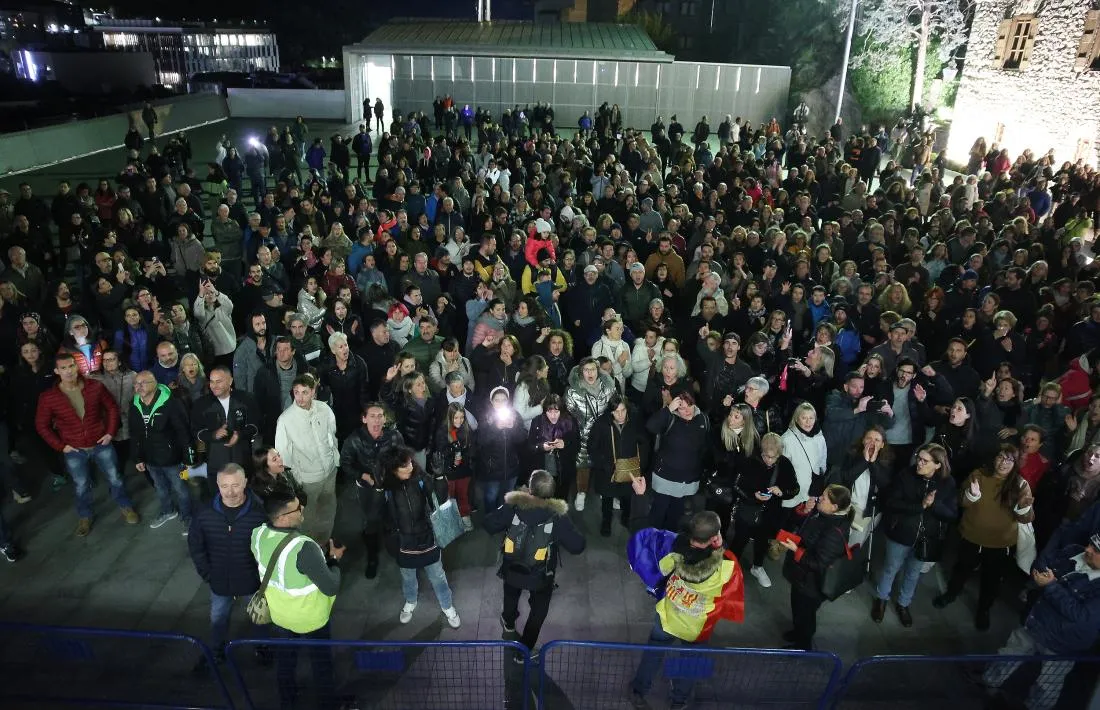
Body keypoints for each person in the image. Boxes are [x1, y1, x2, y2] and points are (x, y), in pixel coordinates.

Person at [627, 511, 744, 709]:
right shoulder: (725, 567)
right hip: (696, 627)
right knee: (691, 661)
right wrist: (720, 548)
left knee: (653, 652)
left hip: (668, 616)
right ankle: (679, 700)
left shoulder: (676, 549)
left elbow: (662, 568)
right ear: (714, 537)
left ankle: (638, 691)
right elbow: (732, 586)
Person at [980, 533, 1100, 710]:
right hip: (1037, 622)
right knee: (1007, 655)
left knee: (1047, 684)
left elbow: (1081, 616)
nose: (1087, 549)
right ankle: (987, 683)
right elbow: (1043, 561)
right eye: (1090, 543)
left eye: (1096, 549)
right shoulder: (1073, 551)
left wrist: (1050, 586)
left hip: (1063, 643)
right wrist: (1042, 573)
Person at [252, 484, 343, 710]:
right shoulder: (304, 547)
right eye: (297, 509)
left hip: (280, 614)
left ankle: (288, 699)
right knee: (321, 663)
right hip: (310, 617)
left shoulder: (258, 534)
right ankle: (328, 703)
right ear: (282, 518)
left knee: (286, 660)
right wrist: (334, 560)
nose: (302, 510)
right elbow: (331, 586)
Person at [484, 469, 586, 656]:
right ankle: (524, 652)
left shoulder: (513, 505)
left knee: (510, 594)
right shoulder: (557, 517)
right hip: (540, 575)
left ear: (529, 489)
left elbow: (489, 524)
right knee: (538, 612)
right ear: (552, 493)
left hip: (512, 568)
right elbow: (578, 546)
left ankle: (508, 622)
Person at [36, 352, 138, 536]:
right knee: (81, 485)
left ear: (77, 367)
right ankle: (85, 516)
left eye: (71, 366)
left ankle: (125, 506)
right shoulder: (49, 397)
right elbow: (41, 426)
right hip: (74, 449)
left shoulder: (94, 386)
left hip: (100, 443)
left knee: (115, 477)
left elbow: (112, 408)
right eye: (63, 368)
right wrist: (61, 446)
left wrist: (109, 432)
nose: (68, 371)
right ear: (56, 371)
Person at [934, 444, 1035, 630]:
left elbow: (1026, 518)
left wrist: (1024, 506)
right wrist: (972, 495)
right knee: (961, 569)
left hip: (1000, 544)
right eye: (1001, 457)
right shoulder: (978, 475)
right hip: (971, 537)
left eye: (1009, 459)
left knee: (991, 580)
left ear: (1015, 463)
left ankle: (984, 610)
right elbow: (961, 501)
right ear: (994, 458)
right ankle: (951, 593)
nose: (1004, 462)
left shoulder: (1020, 484)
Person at [187, 464, 268, 667]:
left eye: (235, 485)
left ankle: (262, 647)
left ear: (245, 483)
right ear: (217, 485)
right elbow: (196, 546)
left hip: (251, 580)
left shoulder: (260, 513)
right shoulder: (204, 513)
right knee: (218, 619)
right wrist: (208, 574)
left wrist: (262, 576)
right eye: (224, 486)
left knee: (259, 618)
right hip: (220, 581)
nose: (230, 492)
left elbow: (269, 547)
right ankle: (216, 650)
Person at [871, 443, 957, 627]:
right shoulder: (905, 475)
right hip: (901, 533)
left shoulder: (947, 483)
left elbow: (952, 514)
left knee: (913, 573)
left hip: (925, 539)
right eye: (919, 458)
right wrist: (921, 506)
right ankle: (881, 599)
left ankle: (904, 604)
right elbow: (892, 503)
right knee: (890, 568)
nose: (919, 463)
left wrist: (933, 505)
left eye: (925, 461)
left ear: (938, 465)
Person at [379, 445, 461, 628]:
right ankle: (410, 601)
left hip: (426, 537)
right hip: (404, 542)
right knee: (408, 577)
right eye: (404, 466)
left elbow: (440, 497)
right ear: (393, 471)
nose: (410, 467)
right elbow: (376, 514)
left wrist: (439, 476)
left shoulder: (419, 477)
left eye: (409, 462)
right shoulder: (387, 488)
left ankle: (447, 606)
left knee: (438, 576)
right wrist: (377, 491)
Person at [778, 483, 854, 651]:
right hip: (802, 577)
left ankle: (803, 645)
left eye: (824, 498)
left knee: (805, 615)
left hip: (812, 584)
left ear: (834, 507)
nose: (819, 498)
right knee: (798, 609)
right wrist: (805, 510)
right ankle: (797, 633)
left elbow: (820, 563)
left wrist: (797, 551)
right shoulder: (821, 514)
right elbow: (802, 525)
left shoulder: (834, 532)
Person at [274, 374, 340, 543]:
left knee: (327, 512)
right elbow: (283, 454)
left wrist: (335, 460)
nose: (300, 397)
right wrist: (297, 479)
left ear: (313, 392)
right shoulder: (285, 420)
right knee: (307, 518)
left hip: (330, 473)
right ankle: (310, 550)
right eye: (296, 392)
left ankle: (325, 545)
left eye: (305, 392)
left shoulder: (324, 410)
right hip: (307, 480)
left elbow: (332, 436)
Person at [342, 402, 404, 578]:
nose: (376, 421)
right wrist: (364, 476)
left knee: (392, 516)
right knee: (371, 520)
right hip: (368, 488)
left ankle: (395, 548)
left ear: (385, 418)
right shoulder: (355, 439)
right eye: (372, 416)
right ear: (364, 419)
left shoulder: (394, 436)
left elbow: (402, 457)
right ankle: (372, 556)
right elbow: (345, 464)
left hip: (390, 485)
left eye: (379, 416)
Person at [129, 371, 193, 533]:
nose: (139, 387)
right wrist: (137, 457)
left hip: (172, 459)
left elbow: (183, 431)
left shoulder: (171, 403)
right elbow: (134, 433)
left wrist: (188, 457)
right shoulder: (134, 403)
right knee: (160, 487)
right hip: (150, 459)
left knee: (181, 489)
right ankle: (168, 510)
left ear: (154, 383)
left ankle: (188, 517)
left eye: (143, 383)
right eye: (136, 383)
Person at [191, 366, 259, 498]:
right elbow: (196, 430)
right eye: (212, 381)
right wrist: (213, 434)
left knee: (246, 493)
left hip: (242, 459)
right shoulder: (201, 404)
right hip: (216, 461)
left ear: (230, 380)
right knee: (218, 495)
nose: (214, 385)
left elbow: (255, 425)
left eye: (219, 381)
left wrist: (240, 435)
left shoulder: (246, 399)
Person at [647, 394, 711, 532]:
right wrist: (668, 409)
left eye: (690, 406)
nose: (687, 410)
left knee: (676, 514)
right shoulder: (670, 418)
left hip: (687, 478)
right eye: (681, 408)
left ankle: (669, 541)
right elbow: (651, 427)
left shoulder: (703, 419)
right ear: (676, 409)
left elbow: (704, 447)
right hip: (665, 475)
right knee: (658, 510)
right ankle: (652, 540)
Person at [589, 393, 649, 536]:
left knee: (627, 497)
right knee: (607, 498)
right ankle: (606, 521)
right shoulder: (601, 424)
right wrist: (605, 464)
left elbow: (644, 443)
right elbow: (592, 448)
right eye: (616, 411)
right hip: (608, 471)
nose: (620, 415)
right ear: (611, 411)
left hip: (629, 468)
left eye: (623, 410)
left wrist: (642, 465)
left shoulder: (634, 422)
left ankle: (626, 517)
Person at [564, 357, 617, 511]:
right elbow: (569, 415)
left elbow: (615, 408)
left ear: (598, 371)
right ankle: (581, 493)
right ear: (581, 372)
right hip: (582, 435)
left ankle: (606, 492)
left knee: (605, 464)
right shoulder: (572, 392)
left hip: (604, 435)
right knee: (583, 466)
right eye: (586, 370)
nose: (590, 373)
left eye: (593, 369)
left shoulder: (608, 388)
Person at [477, 386, 527, 513]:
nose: (500, 403)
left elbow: (522, 439)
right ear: (491, 401)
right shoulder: (486, 417)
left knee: (508, 496)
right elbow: (481, 440)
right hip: (492, 467)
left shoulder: (514, 415)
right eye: (497, 400)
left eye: (503, 400)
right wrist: (495, 427)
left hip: (511, 465)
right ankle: (490, 517)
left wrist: (513, 427)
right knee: (491, 495)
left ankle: (503, 519)